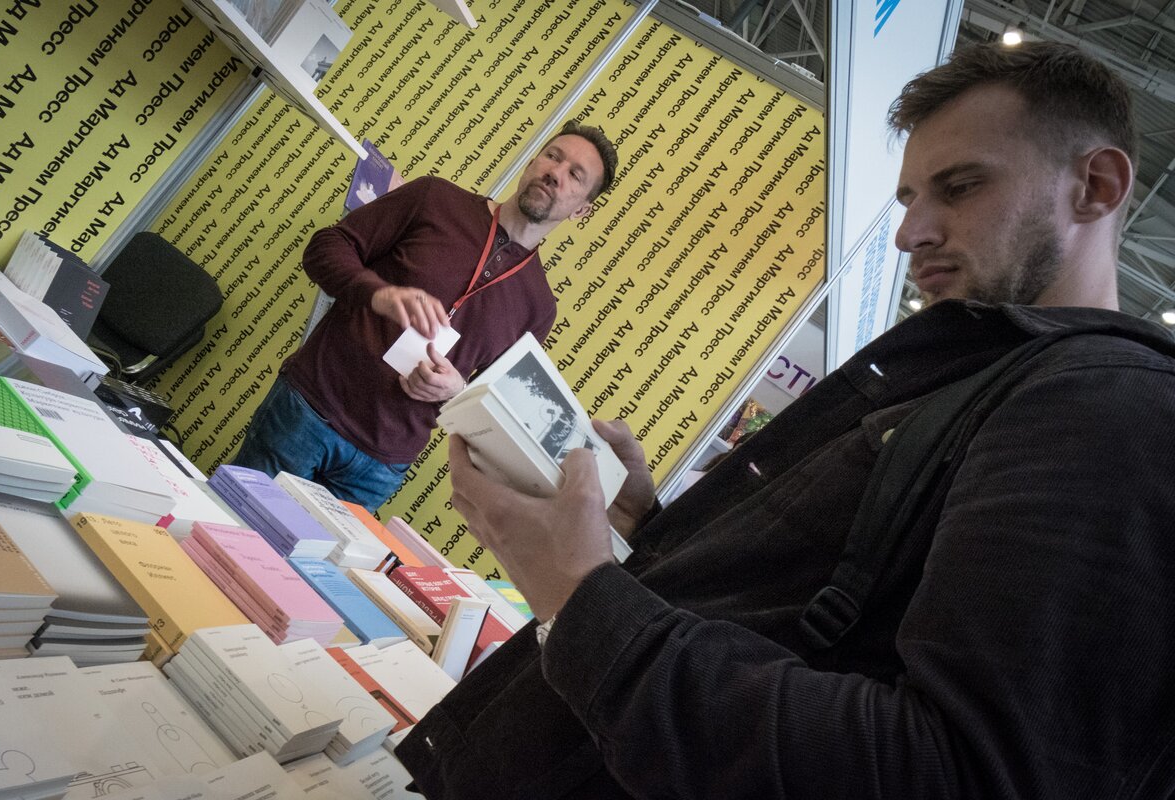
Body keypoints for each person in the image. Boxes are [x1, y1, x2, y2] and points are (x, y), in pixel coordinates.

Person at [397, 42, 1175, 798]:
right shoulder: (984, 380)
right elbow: (811, 621)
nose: (910, 233)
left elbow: (950, 771)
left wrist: (578, 595)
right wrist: (645, 526)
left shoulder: (1110, 410)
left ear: (1096, 186)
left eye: (961, 187)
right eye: (910, 199)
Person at [231, 121, 618, 511]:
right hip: (308, 411)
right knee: (235, 525)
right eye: (552, 156)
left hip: (378, 469)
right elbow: (325, 248)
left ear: (582, 210)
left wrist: (456, 390)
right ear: (533, 161)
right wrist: (378, 294)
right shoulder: (435, 198)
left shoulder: (539, 307)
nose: (555, 173)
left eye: (575, 175)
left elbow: (495, 411)